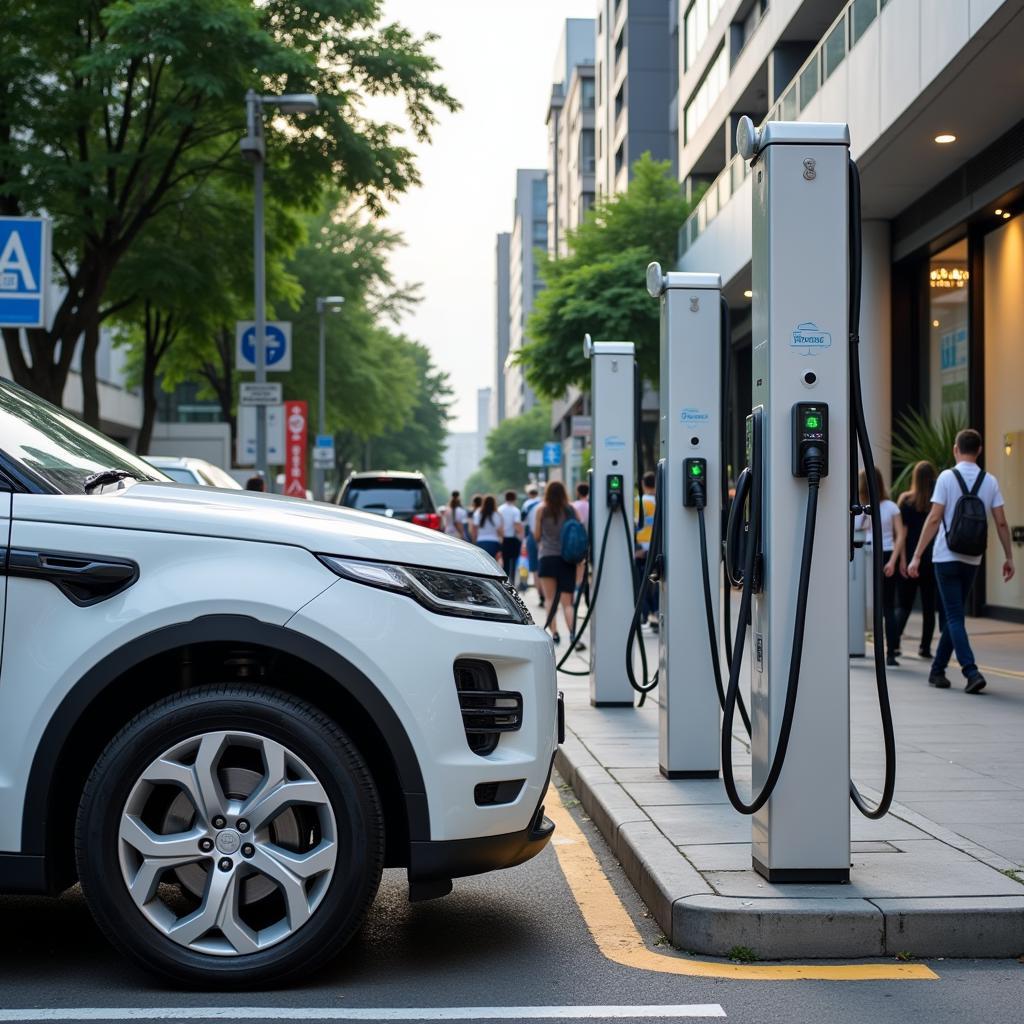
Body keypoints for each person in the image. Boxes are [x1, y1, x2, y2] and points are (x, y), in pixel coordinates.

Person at [908, 429, 1015, 693]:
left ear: (956, 449)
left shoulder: (946, 477)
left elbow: (934, 519)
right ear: (979, 450)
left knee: (954, 617)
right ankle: (937, 671)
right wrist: (1009, 556)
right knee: (955, 616)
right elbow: (1001, 521)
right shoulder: (989, 481)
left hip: (946, 556)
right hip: (972, 557)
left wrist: (917, 555)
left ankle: (971, 671)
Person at [859, 468, 905, 666]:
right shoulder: (892, 507)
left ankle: (880, 647)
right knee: (888, 605)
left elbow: (854, 528)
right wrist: (893, 561)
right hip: (887, 554)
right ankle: (892, 651)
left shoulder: (863, 508)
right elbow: (900, 535)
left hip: (868, 554)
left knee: (878, 605)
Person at [896, 462, 940, 659]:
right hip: (932, 560)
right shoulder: (936, 502)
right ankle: (925, 648)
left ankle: (895, 643)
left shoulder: (906, 501)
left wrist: (903, 561)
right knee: (929, 608)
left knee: (904, 605)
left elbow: (902, 535)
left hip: (911, 559)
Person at [532, 480, 581, 647]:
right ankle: (573, 634)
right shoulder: (570, 510)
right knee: (568, 603)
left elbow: (537, 536)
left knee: (550, 599)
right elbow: (579, 530)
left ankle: (554, 634)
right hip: (567, 559)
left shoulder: (541, 510)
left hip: (547, 557)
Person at [633, 471, 658, 632]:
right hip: (656, 547)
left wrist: (636, 548)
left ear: (643, 484)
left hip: (641, 548)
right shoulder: (660, 500)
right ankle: (656, 612)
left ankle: (644, 614)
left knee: (640, 583)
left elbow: (635, 524)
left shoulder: (639, 501)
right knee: (655, 582)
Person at [521, 485, 543, 603]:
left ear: (529, 494)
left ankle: (540, 594)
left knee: (534, 567)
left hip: (532, 537)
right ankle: (546, 591)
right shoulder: (543, 503)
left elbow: (523, 522)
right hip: (545, 538)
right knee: (543, 565)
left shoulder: (527, 505)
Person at [498, 490, 524, 585]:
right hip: (512, 538)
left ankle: (504, 581)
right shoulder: (515, 510)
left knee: (505, 561)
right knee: (513, 561)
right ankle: (512, 580)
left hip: (503, 538)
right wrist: (521, 536)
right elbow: (516, 524)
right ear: (514, 499)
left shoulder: (500, 509)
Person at [571, 482, 591, 603]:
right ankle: (585, 590)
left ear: (578, 492)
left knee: (577, 566)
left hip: (576, 541)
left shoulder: (573, 506)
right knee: (586, 567)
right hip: (590, 540)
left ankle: (577, 590)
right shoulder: (591, 505)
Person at [471, 494, 504, 559]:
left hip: (481, 541)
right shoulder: (497, 514)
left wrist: (474, 541)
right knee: (492, 564)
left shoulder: (478, 513)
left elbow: (474, 529)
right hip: (493, 542)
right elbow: (500, 531)